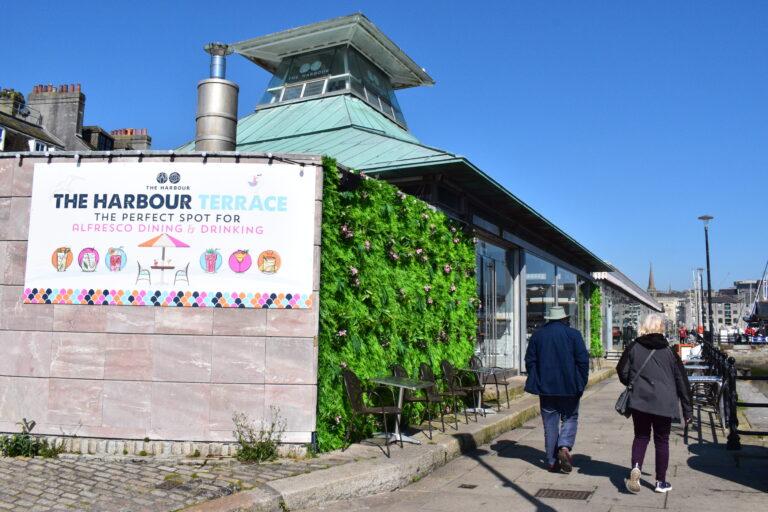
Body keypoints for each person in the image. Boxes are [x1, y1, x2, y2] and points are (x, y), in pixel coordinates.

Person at [617, 314, 692, 494]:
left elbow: (621, 370)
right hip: (664, 402)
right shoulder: (669, 352)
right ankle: (660, 482)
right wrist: (688, 410)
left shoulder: (634, 347)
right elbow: (682, 381)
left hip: (640, 401)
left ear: (644, 327)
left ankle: (636, 467)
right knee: (662, 440)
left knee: (641, 436)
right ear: (661, 329)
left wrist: (632, 383)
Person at [524, 305, 590, 474]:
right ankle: (565, 446)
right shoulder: (574, 335)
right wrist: (581, 382)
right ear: (564, 318)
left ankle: (552, 461)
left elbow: (530, 361)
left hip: (546, 388)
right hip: (570, 387)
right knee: (570, 417)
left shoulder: (538, 336)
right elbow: (583, 361)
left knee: (550, 424)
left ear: (549, 318)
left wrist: (537, 379)